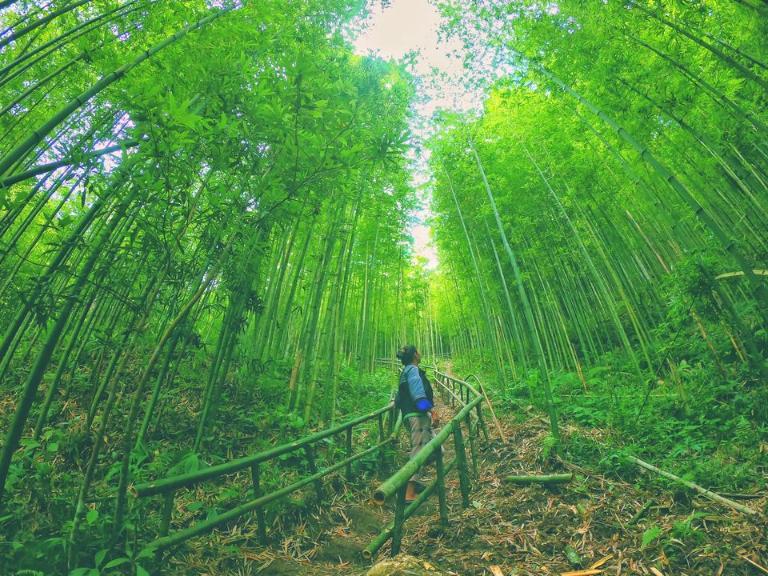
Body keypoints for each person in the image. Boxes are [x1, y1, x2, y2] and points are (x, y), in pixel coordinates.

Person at [395, 345, 440, 503]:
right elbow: (418, 395)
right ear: (415, 355)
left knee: (436, 449)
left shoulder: (405, 372)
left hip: (412, 415)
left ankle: (413, 480)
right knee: (419, 451)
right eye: (418, 351)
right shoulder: (412, 370)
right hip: (417, 415)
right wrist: (431, 411)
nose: (420, 353)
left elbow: (399, 398)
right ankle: (409, 492)